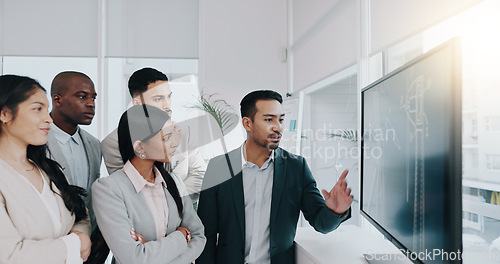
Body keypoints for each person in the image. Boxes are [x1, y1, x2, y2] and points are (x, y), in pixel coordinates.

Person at [196, 90, 353, 264]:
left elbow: (320, 223)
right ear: (248, 123)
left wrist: (335, 210)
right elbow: (205, 233)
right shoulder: (219, 167)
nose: (278, 127)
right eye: (269, 119)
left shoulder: (296, 167)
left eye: (281, 119)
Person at [92, 105, 206, 264]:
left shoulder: (174, 181)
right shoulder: (108, 189)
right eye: (166, 137)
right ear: (139, 147)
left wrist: (151, 253)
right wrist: (181, 237)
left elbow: (198, 236)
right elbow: (132, 258)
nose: (174, 143)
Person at [0, 74, 91, 263]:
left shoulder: (49, 170)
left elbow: (80, 215)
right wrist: (73, 245)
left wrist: (79, 235)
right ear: (5, 114)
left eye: (47, 109)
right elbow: (9, 256)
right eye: (37, 109)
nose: (47, 118)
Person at [101, 67, 206, 202]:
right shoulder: (113, 143)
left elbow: (200, 175)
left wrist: (172, 203)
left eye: (169, 97)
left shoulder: (183, 131)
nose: (167, 105)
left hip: (181, 214)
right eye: (158, 99)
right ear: (137, 103)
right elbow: (126, 190)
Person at [46, 71, 108, 263]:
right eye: (82, 96)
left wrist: (97, 231)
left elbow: (91, 192)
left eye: (93, 98)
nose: (91, 103)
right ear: (57, 99)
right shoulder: (34, 142)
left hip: (88, 244)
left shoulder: (94, 144)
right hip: (50, 243)